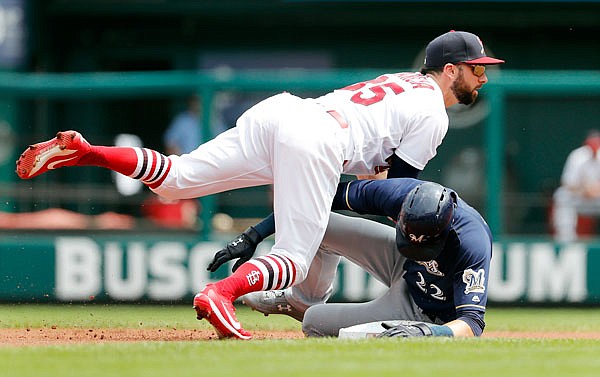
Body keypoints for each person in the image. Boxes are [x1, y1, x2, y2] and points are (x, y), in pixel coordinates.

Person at [15, 30, 503, 340]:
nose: (483, 77)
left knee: (176, 180)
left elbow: (344, 189)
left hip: (284, 112)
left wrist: (257, 230)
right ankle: (222, 294)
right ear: (451, 69)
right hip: (318, 139)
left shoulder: (400, 84)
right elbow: (399, 196)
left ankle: (89, 151)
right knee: (293, 255)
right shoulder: (431, 112)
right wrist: (287, 223)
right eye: (478, 68)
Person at [224, 179, 492, 338]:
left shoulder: (472, 241)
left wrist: (430, 333)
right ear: (401, 214)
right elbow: (313, 202)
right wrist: (255, 234)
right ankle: (300, 299)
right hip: (402, 262)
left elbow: (472, 323)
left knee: (314, 322)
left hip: (424, 310)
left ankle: (307, 310)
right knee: (319, 224)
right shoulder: (396, 194)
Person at [552, 130, 600, 242]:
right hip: (581, 198)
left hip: (597, 198)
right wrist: (585, 190)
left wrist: (595, 190)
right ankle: (565, 239)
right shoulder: (578, 156)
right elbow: (567, 183)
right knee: (561, 195)